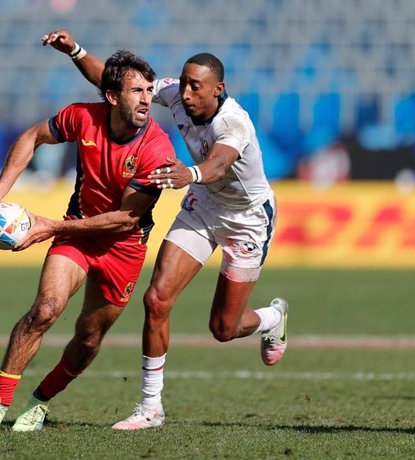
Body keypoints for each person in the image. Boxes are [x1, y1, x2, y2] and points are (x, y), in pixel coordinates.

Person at [43, 30, 288, 430]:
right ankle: (150, 407)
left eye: (197, 86)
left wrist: (188, 174)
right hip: (204, 206)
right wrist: (75, 50)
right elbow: (115, 82)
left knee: (224, 329)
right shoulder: (174, 93)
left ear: (217, 90)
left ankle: (272, 318)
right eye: (184, 83)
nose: (186, 94)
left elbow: (220, 165)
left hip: (247, 219)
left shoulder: (234, 123)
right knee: (156, 299)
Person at [0, 50, 175, 435]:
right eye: (137, 90)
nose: (148, 99)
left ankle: (39, 402)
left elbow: (125, 219)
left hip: (124, 246)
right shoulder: (82, 117)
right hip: (77, 234)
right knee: (45, 310)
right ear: (113, 96)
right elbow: (32, 136)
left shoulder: (157, 150)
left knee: (88, 337)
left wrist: (49, 226)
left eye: (150, 90)